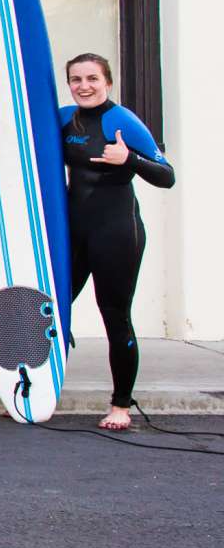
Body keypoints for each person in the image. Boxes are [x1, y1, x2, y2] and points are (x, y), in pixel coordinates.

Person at [59, 53, 175, 430]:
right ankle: (35, 387)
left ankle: (121, 406)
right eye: (76, 79)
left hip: (117, 233)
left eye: (92, 78)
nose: (84, 86)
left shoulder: (121, 120)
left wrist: (128, 159)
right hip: (75, 232)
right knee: (50, 307)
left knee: (115, 317)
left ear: (107, 82)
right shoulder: (63, 118)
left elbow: (166, 175)